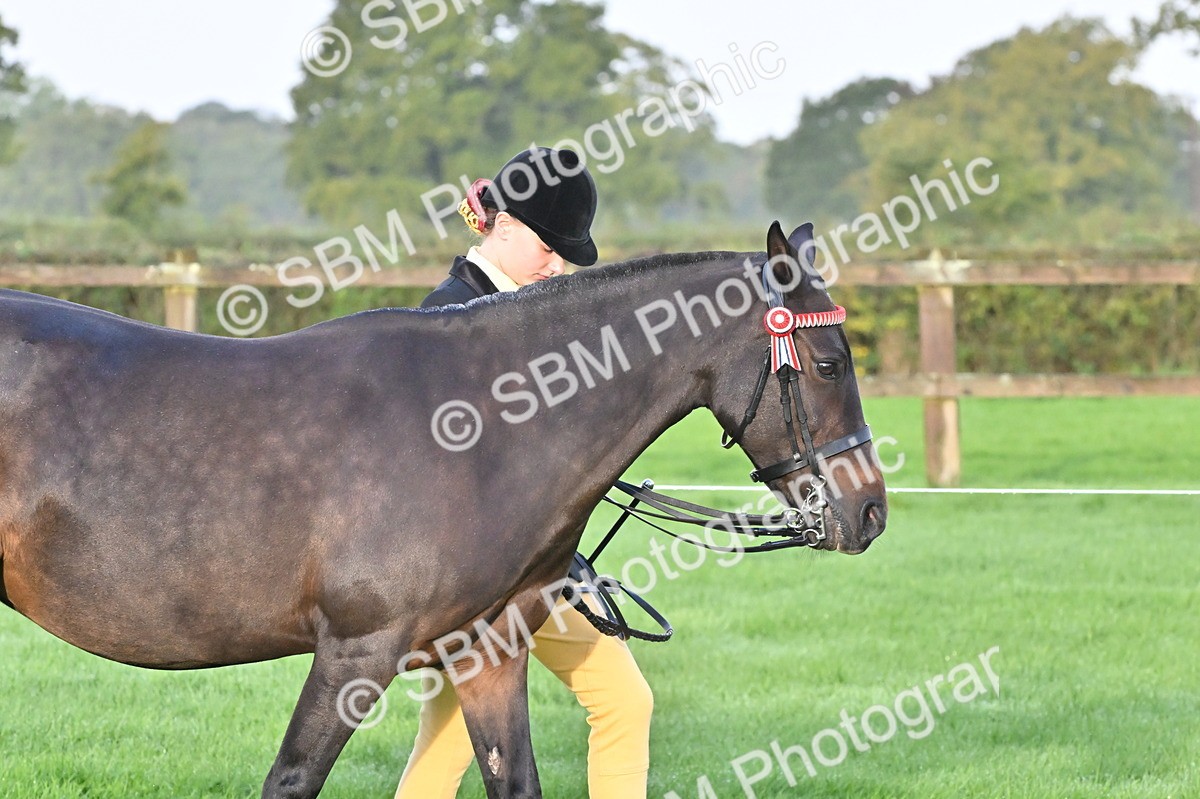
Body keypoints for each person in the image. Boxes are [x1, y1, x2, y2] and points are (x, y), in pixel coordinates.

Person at [397, 147, 654, 799]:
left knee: (623, 701)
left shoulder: (535, 311)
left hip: (535, 568)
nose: (557, 265)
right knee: (453, 738)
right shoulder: (448, 317)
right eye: (549, 248)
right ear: (505, 227)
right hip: (473, 582)